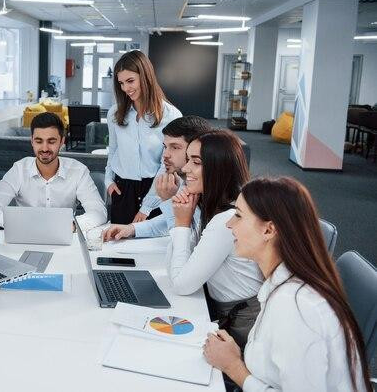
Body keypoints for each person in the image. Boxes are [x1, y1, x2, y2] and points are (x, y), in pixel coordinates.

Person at [203, 177, 371, 392]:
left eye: (238, 216)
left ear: (269, 230)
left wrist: (234, 367)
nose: (229, 224)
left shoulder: (295, 306)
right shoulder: (282, 283)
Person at [167, 129, 263, 348]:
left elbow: (181, 284)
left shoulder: (228, 220)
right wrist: (184, 220)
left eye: (196, 162)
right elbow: (180, 267)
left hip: (243, 326)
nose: (185, 168)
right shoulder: (225, 207)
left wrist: (181, 225)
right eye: (188, 160)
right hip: (230, 313)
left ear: (218, 168)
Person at [0, 112, 107, 231]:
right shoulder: (19, 169)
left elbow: (98, 212)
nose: (45, 148)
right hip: (25, 234)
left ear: (62, 141)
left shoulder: (78, 171)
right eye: (39, 141)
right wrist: (16, 224)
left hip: (65, 235)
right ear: (32, 141)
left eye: (51, 141)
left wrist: (71, 226)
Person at [103, 115, 211, 241]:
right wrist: (132, 229)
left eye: (175, 147)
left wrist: (168, 200)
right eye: (165, 146)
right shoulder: (185, 182)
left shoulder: (205, 189)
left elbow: (188, 242)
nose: (165, 155)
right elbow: (169, 222)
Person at [106, 50, 182, 225]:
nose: (126, 88)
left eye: (130, 81)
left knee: (153, 245)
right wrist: (108, 180)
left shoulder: (171, 115)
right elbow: (113, 151)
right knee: (119, 247)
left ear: (146, 76)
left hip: (156, 188)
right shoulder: (115, 114)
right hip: (122, 189)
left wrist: (146, 207)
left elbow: (167, 165)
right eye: (121, 83)